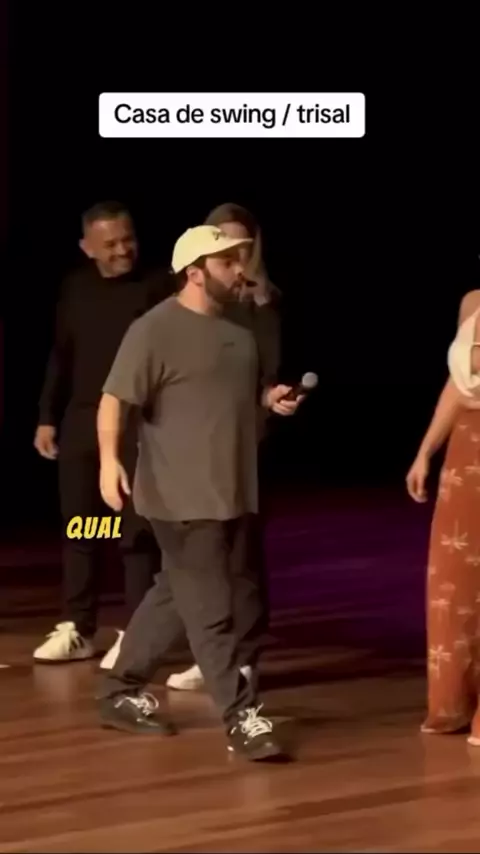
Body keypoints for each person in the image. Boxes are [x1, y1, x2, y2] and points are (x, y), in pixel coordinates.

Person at [96, 224, 303, 761]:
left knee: (174, 591)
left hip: (230, 491)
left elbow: (236, 397)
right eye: (227, 263)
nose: (239, 271)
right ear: (194, 273)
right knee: (213, 610)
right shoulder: (154, 330)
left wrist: (271, 400)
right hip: (179, 495)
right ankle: (242, 718)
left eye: (240, 260)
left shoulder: (240, 336)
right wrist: (108, 461)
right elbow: (115, 399)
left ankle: (119, 688)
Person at [33, 201, 171, 667]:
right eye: (110, 243)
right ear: (87, 247)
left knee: (135, 531)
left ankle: (136, 632)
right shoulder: (76, 289)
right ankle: (79, 626)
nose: (122, 250)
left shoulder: (157, 286)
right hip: (82, 422)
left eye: (128, 239)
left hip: (139, 424)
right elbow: (61, 354)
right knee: (82, 525)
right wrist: (47, 416)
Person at [166, 202, 282, 691]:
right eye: (222, 245)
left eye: (241, 246)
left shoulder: (263, 307)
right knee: (204, 556)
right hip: (199, 445)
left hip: (245, 444)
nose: (234, 255)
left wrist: (270, 400)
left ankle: (246, 656)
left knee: (241, 555)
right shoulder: (196, 306)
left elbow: (268, 375)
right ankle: (214, 654)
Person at [406, 288, 480, 747]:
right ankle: (455, 702)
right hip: (467, 450)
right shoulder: (473, 302)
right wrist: (425, 452)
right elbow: (458, 384)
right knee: (455, 584)